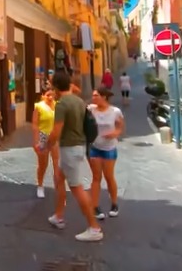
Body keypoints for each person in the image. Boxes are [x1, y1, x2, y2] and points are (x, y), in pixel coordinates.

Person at [46, 71, 103, 242]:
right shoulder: (79, 100)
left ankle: (94, 228)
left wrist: (46, 144)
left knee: (77, 188)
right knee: (58, 177)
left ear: (56, 86)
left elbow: (56, 131)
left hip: (69, 149)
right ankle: (58, 215)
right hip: (79, 146)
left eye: (51, 86)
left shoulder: (62, 104)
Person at [88, 87, 124, 220]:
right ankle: (95, 207)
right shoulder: (91, 109)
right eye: (93, 96)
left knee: (109, 177)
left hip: (109, 148)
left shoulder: (115, 111)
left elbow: (120, 126)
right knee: (96, 178)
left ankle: (114, 204)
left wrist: (116, 133)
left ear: (104, 97)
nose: (93, 98)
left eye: (96, 95)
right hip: (95, 147)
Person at [32, 86, 60, 199]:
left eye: (52, 94)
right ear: (42, 95)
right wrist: (36, 141)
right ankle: (40, 185)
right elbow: (34, 125)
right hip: (42, 136)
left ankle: (58, 187)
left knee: (56, 164)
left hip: (54, 136)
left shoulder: (57, 105)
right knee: (43, 164)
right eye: (47, 95)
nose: (50, 97)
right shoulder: (38, 107)